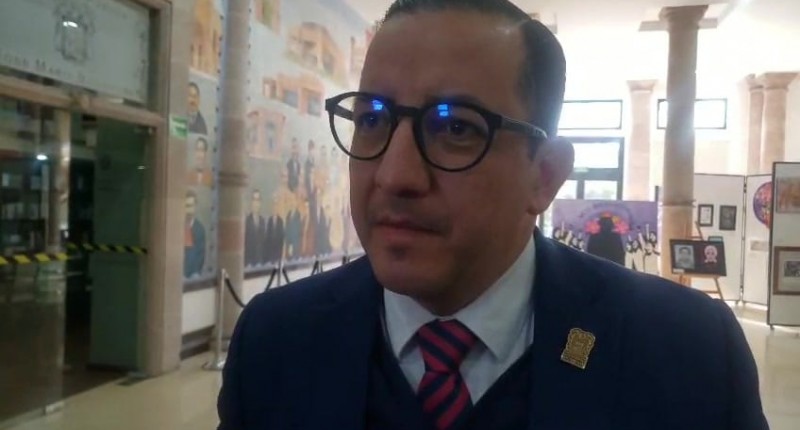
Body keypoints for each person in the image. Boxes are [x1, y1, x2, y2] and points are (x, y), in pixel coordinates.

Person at [218, 1, 768, 429]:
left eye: (456, 127)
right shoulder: (276, 342)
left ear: (544, 175)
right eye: (371, 120)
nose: (394, 175)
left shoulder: (685, 353)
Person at [184, 190, 206, 278]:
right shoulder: (175, 227)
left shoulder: (200, 229)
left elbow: (200, 256)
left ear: (195, 206)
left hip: (193, 276)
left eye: (191, 206)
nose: (189, 210)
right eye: (186, 206)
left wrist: (195, 273)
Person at [244, 189, 266, 267]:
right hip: (249, 263)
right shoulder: (247, 221)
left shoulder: (262, 221)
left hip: (260, 262)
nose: (256, 203)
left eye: (258, 200)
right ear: (251, 202)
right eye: (254, 200)